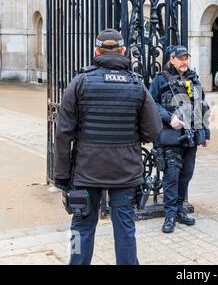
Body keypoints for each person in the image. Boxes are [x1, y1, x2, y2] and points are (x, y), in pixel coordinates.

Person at [53, 28, 163, 265]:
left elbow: (63, 133)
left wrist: (62, 176)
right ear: (123, 51)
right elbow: (153, 131)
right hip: (125, 172)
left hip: (86, 172)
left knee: (80, 228)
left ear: (96, 51)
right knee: (125, 228)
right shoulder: (137, 85)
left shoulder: (80, 82)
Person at [150, 45, 210, 233]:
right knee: (172, 176)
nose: (184, 61)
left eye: (186, 58)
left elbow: (202, 106)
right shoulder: (160, 80)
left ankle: (179, 210)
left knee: (186, 175)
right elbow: (151, 104)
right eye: (181, 58)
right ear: (172, 60)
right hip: (169, 135)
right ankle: (169, 215)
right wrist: (169, 118)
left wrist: (205, 133)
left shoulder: (194, 78)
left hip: (191, 136)